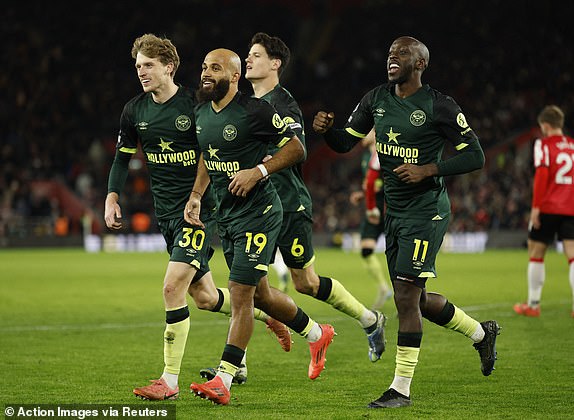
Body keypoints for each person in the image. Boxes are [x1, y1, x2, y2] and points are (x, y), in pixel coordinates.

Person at [313, 36, 500, 408]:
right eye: (388, 54)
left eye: (401, 54)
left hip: (427, 211)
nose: (391, 58)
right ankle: (482, 334)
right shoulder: (376, 99)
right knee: (420, 299)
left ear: (420, 64)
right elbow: (345, 143)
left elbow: (475, 155)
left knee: (404, 296)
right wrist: (326, 131)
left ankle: (400, 388)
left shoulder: (439, 105)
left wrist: (429, 169)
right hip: (394, 213)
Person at [104, 34, 291, 401]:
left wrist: (199, 195)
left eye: (149, 66)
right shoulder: (134, 110)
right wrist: (112, 196)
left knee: (172, 287)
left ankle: (168, 381)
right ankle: (261, 314)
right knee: (204, 297)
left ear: (169, 67)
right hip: (167, 215)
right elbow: (122, 157)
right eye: (138, 66)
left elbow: (214, 150)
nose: (142, 72)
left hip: (199, 213)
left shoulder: (196, 104)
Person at [185, 48, 335, 406]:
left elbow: (298, 148)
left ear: (235, 76)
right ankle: (317, 333)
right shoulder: (202, 113)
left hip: (261, 213)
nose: (207, 73)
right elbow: (209, 153)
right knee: (262, 296)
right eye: (204, 67)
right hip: (229, 215)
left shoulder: (255, 112)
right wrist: (195, 195)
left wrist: (259, 171)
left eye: (216, 68)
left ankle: (224, 378)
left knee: (239, 296)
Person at [513, 105, 574, 318]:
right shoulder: (573, 146)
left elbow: (541, 175)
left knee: (536, 253)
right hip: (571, 207)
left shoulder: (543, 145)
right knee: (573, 256)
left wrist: (536, 208)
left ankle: (533, 305)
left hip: (549, 206)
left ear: (546, 126)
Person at [349, 129, 393, 310]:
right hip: (372, 206)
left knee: (397, 255)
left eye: (367, 132)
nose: (363, 135)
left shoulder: (384, 153)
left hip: (387, 206)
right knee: (366, 250)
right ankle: (384, 287)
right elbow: (371, 184)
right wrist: (363, 195)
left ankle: (408, 298)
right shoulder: (367, 156)